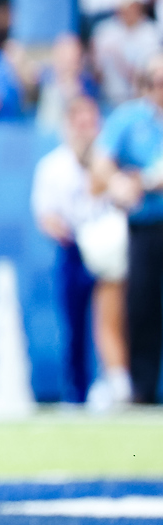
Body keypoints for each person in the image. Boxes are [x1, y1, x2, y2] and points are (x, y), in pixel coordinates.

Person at [32, 96, 130, 409]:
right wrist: (59, 227)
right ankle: (77, 390)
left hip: (108, 248)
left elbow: (124, 196)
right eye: (79, 122)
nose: (85, 129)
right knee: (74, 323)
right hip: (73, 248)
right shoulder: (52, 165)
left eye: (90, 122)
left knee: (111, 320)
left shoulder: (109, 159)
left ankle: (115, 385)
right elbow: (45, 214)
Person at [92, 54, 163, 404]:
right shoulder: (130, 119)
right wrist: (120, 181)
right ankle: (143, 390)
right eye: (156, 81)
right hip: (146, 227)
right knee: (142, 308)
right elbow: (102, 161)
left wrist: (148, 180)